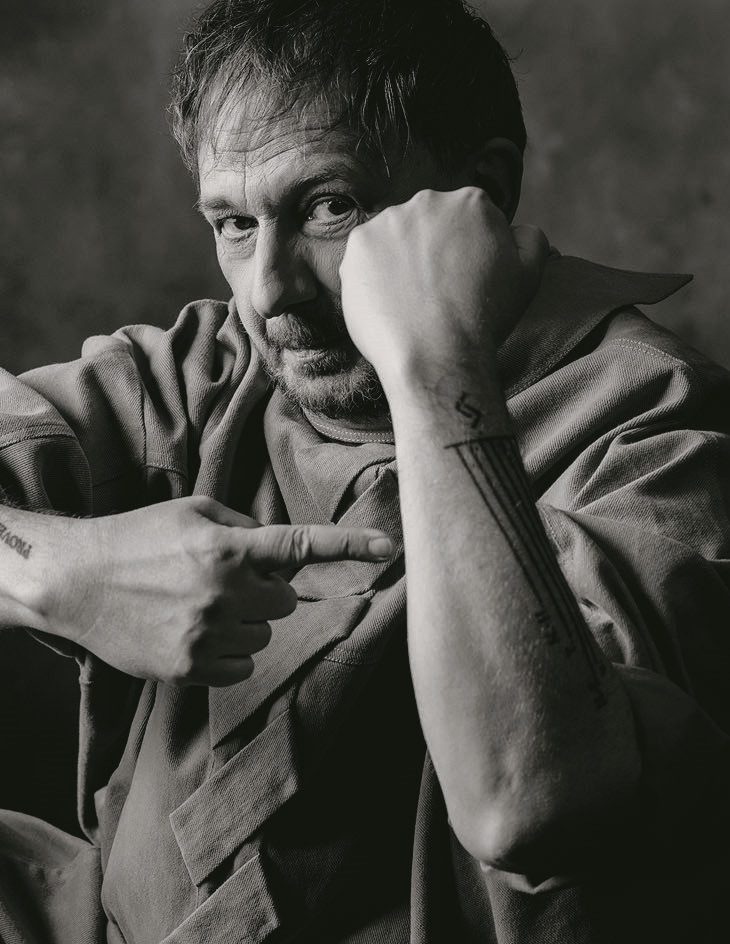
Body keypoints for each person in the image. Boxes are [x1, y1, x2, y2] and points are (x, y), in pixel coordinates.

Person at [0, 0, 729, 941]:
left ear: (480, 191)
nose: (270, 288)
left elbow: (531, 799)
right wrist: (65, 574)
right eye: (233, 223)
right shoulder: (207, 372)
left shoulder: (654, 425)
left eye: (328, 207)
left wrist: (434, 366)